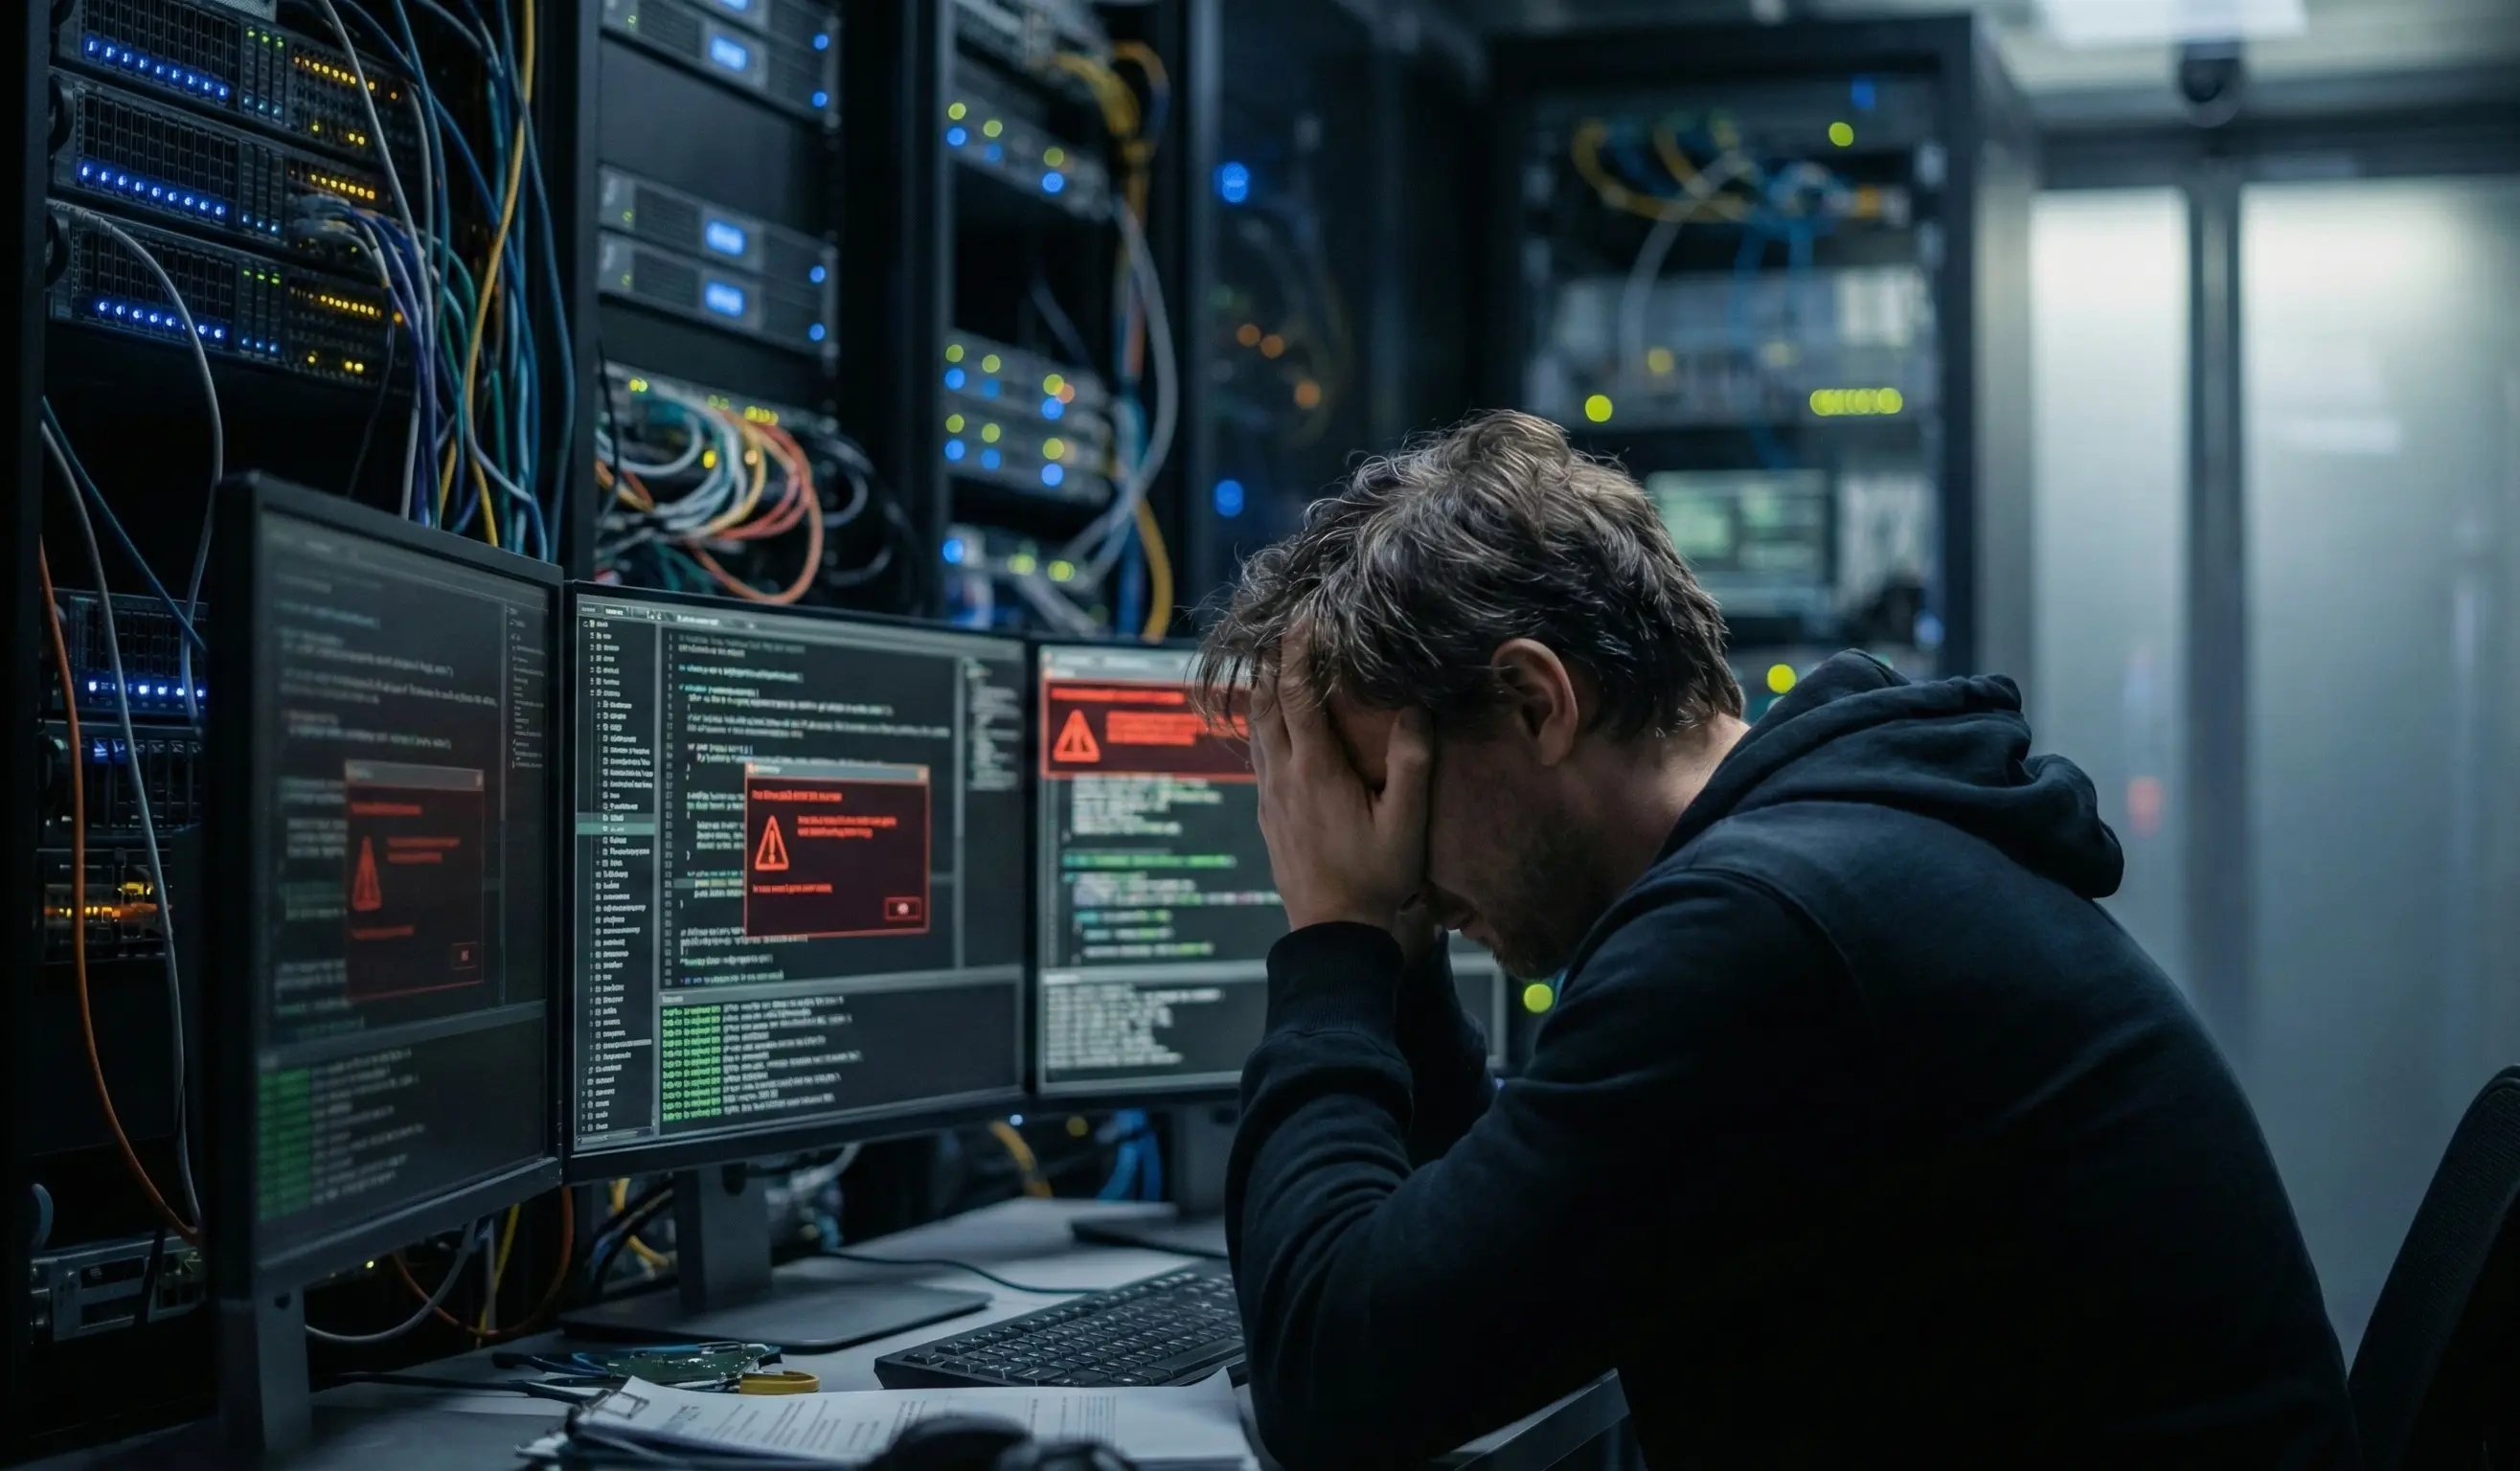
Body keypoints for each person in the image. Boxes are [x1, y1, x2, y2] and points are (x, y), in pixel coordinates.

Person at [1193, 411, 2355, 1468]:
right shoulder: (1833, 853)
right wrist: (1395, 951)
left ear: (1536, 704)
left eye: (1384, 789)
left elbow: (1332, 1382)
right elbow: (1495, 1248)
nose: (1388, 859)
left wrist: (1336, 935)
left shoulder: (1766, 925)